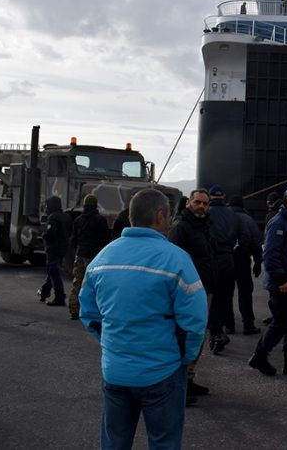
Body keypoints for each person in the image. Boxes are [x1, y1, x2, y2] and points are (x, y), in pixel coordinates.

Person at [78, 188, 208, 449]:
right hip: (162, 371)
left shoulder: (102, 259)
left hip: (115, 370)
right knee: (164, 442)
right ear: (161, 216)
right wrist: (185, 357)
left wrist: (113, 343)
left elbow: (88, 313)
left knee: (114, 442)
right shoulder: (177, 259)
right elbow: (194, 321)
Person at [248, 187, 287, 377]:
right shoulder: (278, 223)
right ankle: (260, 355)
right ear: (285, 201)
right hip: (282, 284)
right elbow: (270, 254)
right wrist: (281, 278)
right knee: (280, 322)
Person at [167, 189, 218, 400]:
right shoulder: (181, 227)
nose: (201, 207)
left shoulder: (206, 226)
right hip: (188, 292)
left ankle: (188, 378)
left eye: (205, 204)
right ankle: (178, 384)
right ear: (188, 202)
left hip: (205, 288)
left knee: (198, 335)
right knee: (185, 335)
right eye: (197, 202)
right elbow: (172, 261)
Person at [205, 185, 239, 353]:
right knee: (225, 298)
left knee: (210, 299)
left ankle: (216, 332)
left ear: (210, 198)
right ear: (224, 196)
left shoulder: (206, 214)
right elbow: (244, 238)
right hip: (228, 259)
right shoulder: (233, 214)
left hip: (211, 261)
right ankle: (225, 327)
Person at [69, 194, 111, 321]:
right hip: (94, 257)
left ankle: (74, 310)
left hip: (80, 254)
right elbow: (106, 239)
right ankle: (94, 312)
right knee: (95, 285)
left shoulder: (78, 220)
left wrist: (78, 250)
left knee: (77, 282)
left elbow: (73, 239)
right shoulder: (100, 220)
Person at [227, 195, 262, 335]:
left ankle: (229, 325)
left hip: (227, 260)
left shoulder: (225, 218)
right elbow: (256, 242)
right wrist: (258, 262)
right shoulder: (248, 219)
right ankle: (248, 324)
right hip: (243, 260)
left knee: (227, 294)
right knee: (245, 293)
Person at [39, 196, 71, 307]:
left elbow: (51, 233)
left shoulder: (53, 217)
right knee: (52, 271)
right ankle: (44, 293)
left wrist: (44, 235)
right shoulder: (66, 216)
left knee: (54, 273)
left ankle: (60, 297)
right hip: (63, 248)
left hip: (53, 248)